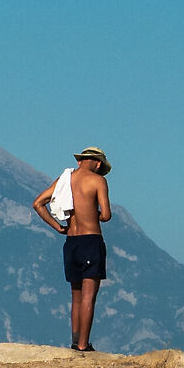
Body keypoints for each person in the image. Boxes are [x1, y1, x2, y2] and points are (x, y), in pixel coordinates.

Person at [31, 146, 113, 353]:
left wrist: (58, 226)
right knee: (88, 296)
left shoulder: (64, 181)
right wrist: (92, 213)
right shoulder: (98, 181)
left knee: (75, 296)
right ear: (98, 163)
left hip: (71, 242)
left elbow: (38, 203)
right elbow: (106, 215)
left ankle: (75, 341)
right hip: (90, 240)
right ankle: (84, 345)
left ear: (79, 161)